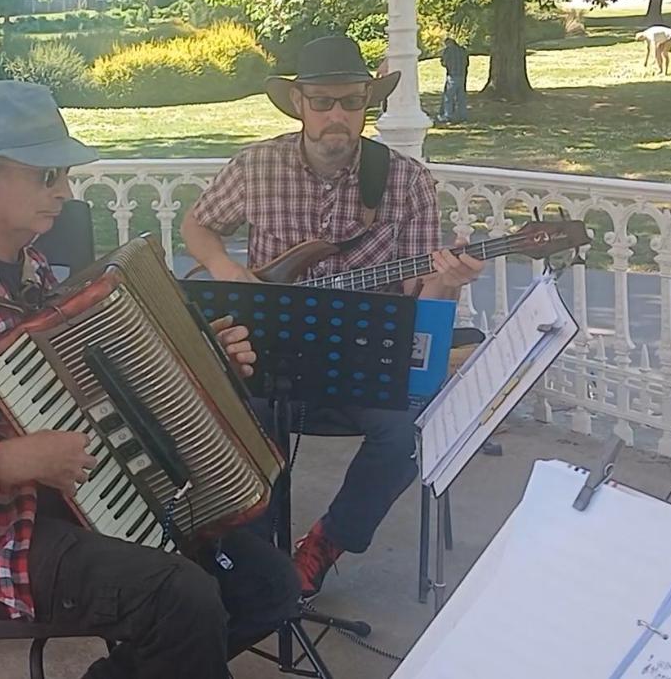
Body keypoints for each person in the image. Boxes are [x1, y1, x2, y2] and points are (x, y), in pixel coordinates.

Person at [0, 80, 301, 679]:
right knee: (180, 596)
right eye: (47, 175)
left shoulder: (25, 266)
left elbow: (82, 393)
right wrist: (10, 461)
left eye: (63, 175)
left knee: (267, 583)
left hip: (70, 501)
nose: (64, 191)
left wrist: (204, 368)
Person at [180, 35, 485, 599]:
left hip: (364, 362)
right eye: (323, 102)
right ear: (299, 103)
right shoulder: (255, 165)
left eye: (351, 101)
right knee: (230, 420)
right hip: (268, 352)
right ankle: (252, 558)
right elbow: (197, 225)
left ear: (367, 102)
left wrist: (447, 279)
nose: (337, 116)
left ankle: (325, 544)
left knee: (406, 433)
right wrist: (225, 268)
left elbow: (422, 299)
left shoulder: (408, 181)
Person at [439, 36, 469, 123]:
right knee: (461, 98)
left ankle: (448, 116)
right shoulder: (462, 50)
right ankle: (463, 116)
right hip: (462, 76)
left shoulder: (448, 51)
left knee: (449, 97)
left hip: (452, 76)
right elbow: (467, 63)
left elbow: (444, 62)